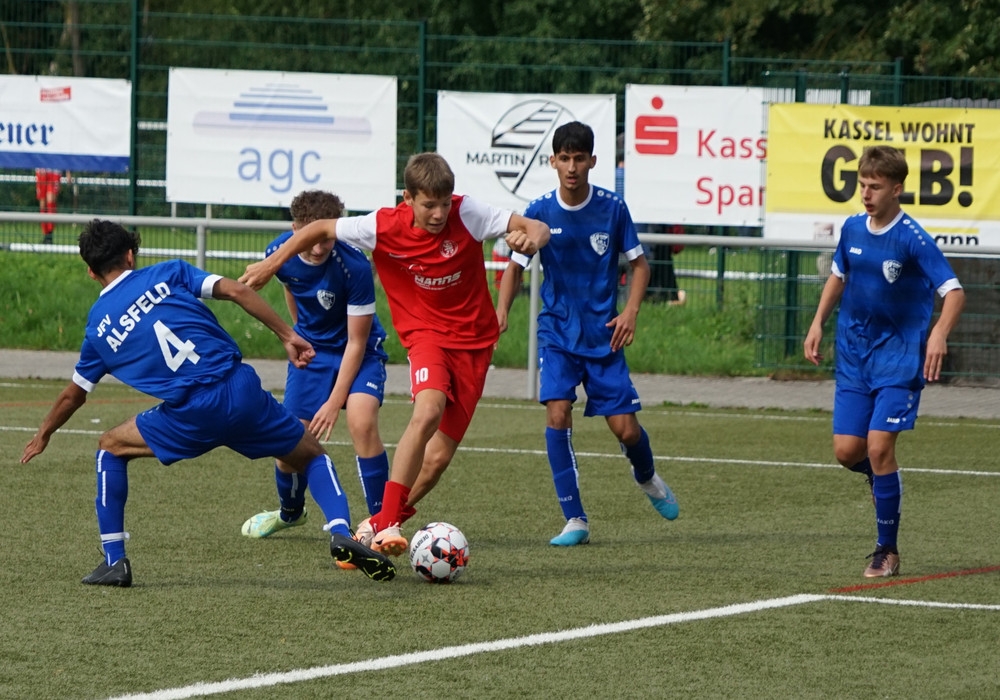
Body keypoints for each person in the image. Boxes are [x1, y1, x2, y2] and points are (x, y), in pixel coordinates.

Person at [20, 220, 395, 585]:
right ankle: (340, 531)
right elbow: (237, 292)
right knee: (313, 455)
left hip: (189, 415)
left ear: (91, 272)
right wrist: (287, 335)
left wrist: (44, 433)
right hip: (240, 389)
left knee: (110, 448)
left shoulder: (97, 329)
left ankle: (114, 561)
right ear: (130, 256)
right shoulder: (168, 272)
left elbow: (74, 394)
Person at [240, 153, 550, 557]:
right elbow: (319, 228)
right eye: (429, 205)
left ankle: (377, 524)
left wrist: (531, 239)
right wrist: (270, 265)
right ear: (408, 198)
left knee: (437, 461)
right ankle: (384, 522)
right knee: (428, 410)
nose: (439, 214)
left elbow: (536, 227)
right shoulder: (382, 225)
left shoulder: (468, 213)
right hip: (425, 335)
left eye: (444, 203)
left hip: (475, 343)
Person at [496, 121, 679, 547]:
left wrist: (631, 311)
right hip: (557, 333)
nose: (572, 167)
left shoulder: (612, 208)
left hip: (603, 336)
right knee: (557, 412)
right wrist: (501, 312)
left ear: (593, 161)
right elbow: (515, 268)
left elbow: (640, 266)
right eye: (564, 158)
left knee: (626, 430)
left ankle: (647, 476)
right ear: (553, 161)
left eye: (579, 158)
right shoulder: (539, 211)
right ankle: (575, 519)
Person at [804, 145, 965, 578]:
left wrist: (938, 333)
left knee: (878, 447)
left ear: (897, 189)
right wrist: (817, 322)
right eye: (862, 185)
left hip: (898, 358)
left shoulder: (912, 238)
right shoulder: (853, 228)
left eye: (875, 186)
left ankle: (886, 550)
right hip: (855, 354)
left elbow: (953, 291)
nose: (866, 194)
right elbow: (838, 275)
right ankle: (880, 477)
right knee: (846, 451)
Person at [240, 190, 391, 559]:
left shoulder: (354, 267)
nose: (321, 247)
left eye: (327, 237)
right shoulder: (279, 253)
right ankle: (290, 513)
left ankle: (383, 523)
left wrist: (334, 401)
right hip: (314, 353)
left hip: (360, 352)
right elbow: (292, 289)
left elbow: (357, 342)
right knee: (288, 446)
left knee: (361, 421)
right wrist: (297, 334)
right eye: (313, 238)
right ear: (296, 230)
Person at [35, 168, 66, 244]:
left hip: (54, 171)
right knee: (42, 205)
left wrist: (68, 171)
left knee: (51, 203)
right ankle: (45, 234)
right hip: (41, 171)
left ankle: (49, 234)